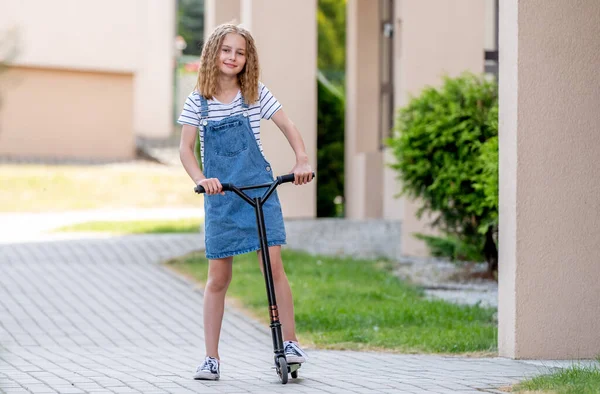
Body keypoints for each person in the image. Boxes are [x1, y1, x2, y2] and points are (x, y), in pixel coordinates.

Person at [177, 23, 313, 381]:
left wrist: (301, 159)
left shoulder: (254, 94)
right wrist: (201, 179)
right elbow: (185, 150)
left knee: (273, 266)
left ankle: (291, 342)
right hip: (222, 195)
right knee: (218, 277)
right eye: (226, 50)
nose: (232, 57)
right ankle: (211, 357)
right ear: (212, 54)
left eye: (240, 52)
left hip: (259, 191)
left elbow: (289, 125)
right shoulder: (198, 102)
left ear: (247, 59)